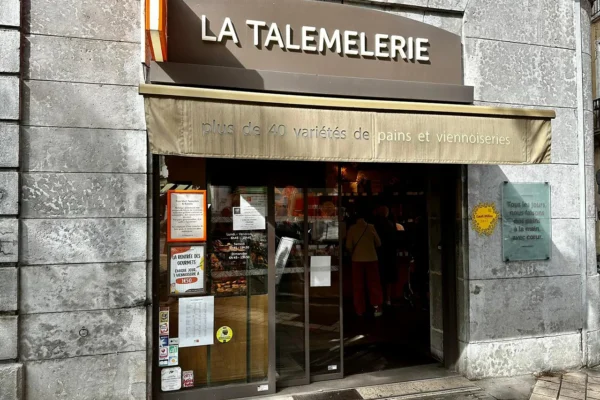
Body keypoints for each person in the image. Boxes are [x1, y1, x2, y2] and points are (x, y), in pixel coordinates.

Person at [346, 208, 384, 317]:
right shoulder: (371, 227)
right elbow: (379, 243)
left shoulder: (352, 229)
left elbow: (348, 246)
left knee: (358, 285)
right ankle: (377, 307)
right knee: (374, 284)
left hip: (357, 260)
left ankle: (359, 309)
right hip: (372, 258)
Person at [373, 205, 398, 306]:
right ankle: (388, 299)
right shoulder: (391, 224)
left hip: (378, 254)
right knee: (388, 279)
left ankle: (379, 300)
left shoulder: (374, 225)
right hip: (390, 254)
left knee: (378, 278)